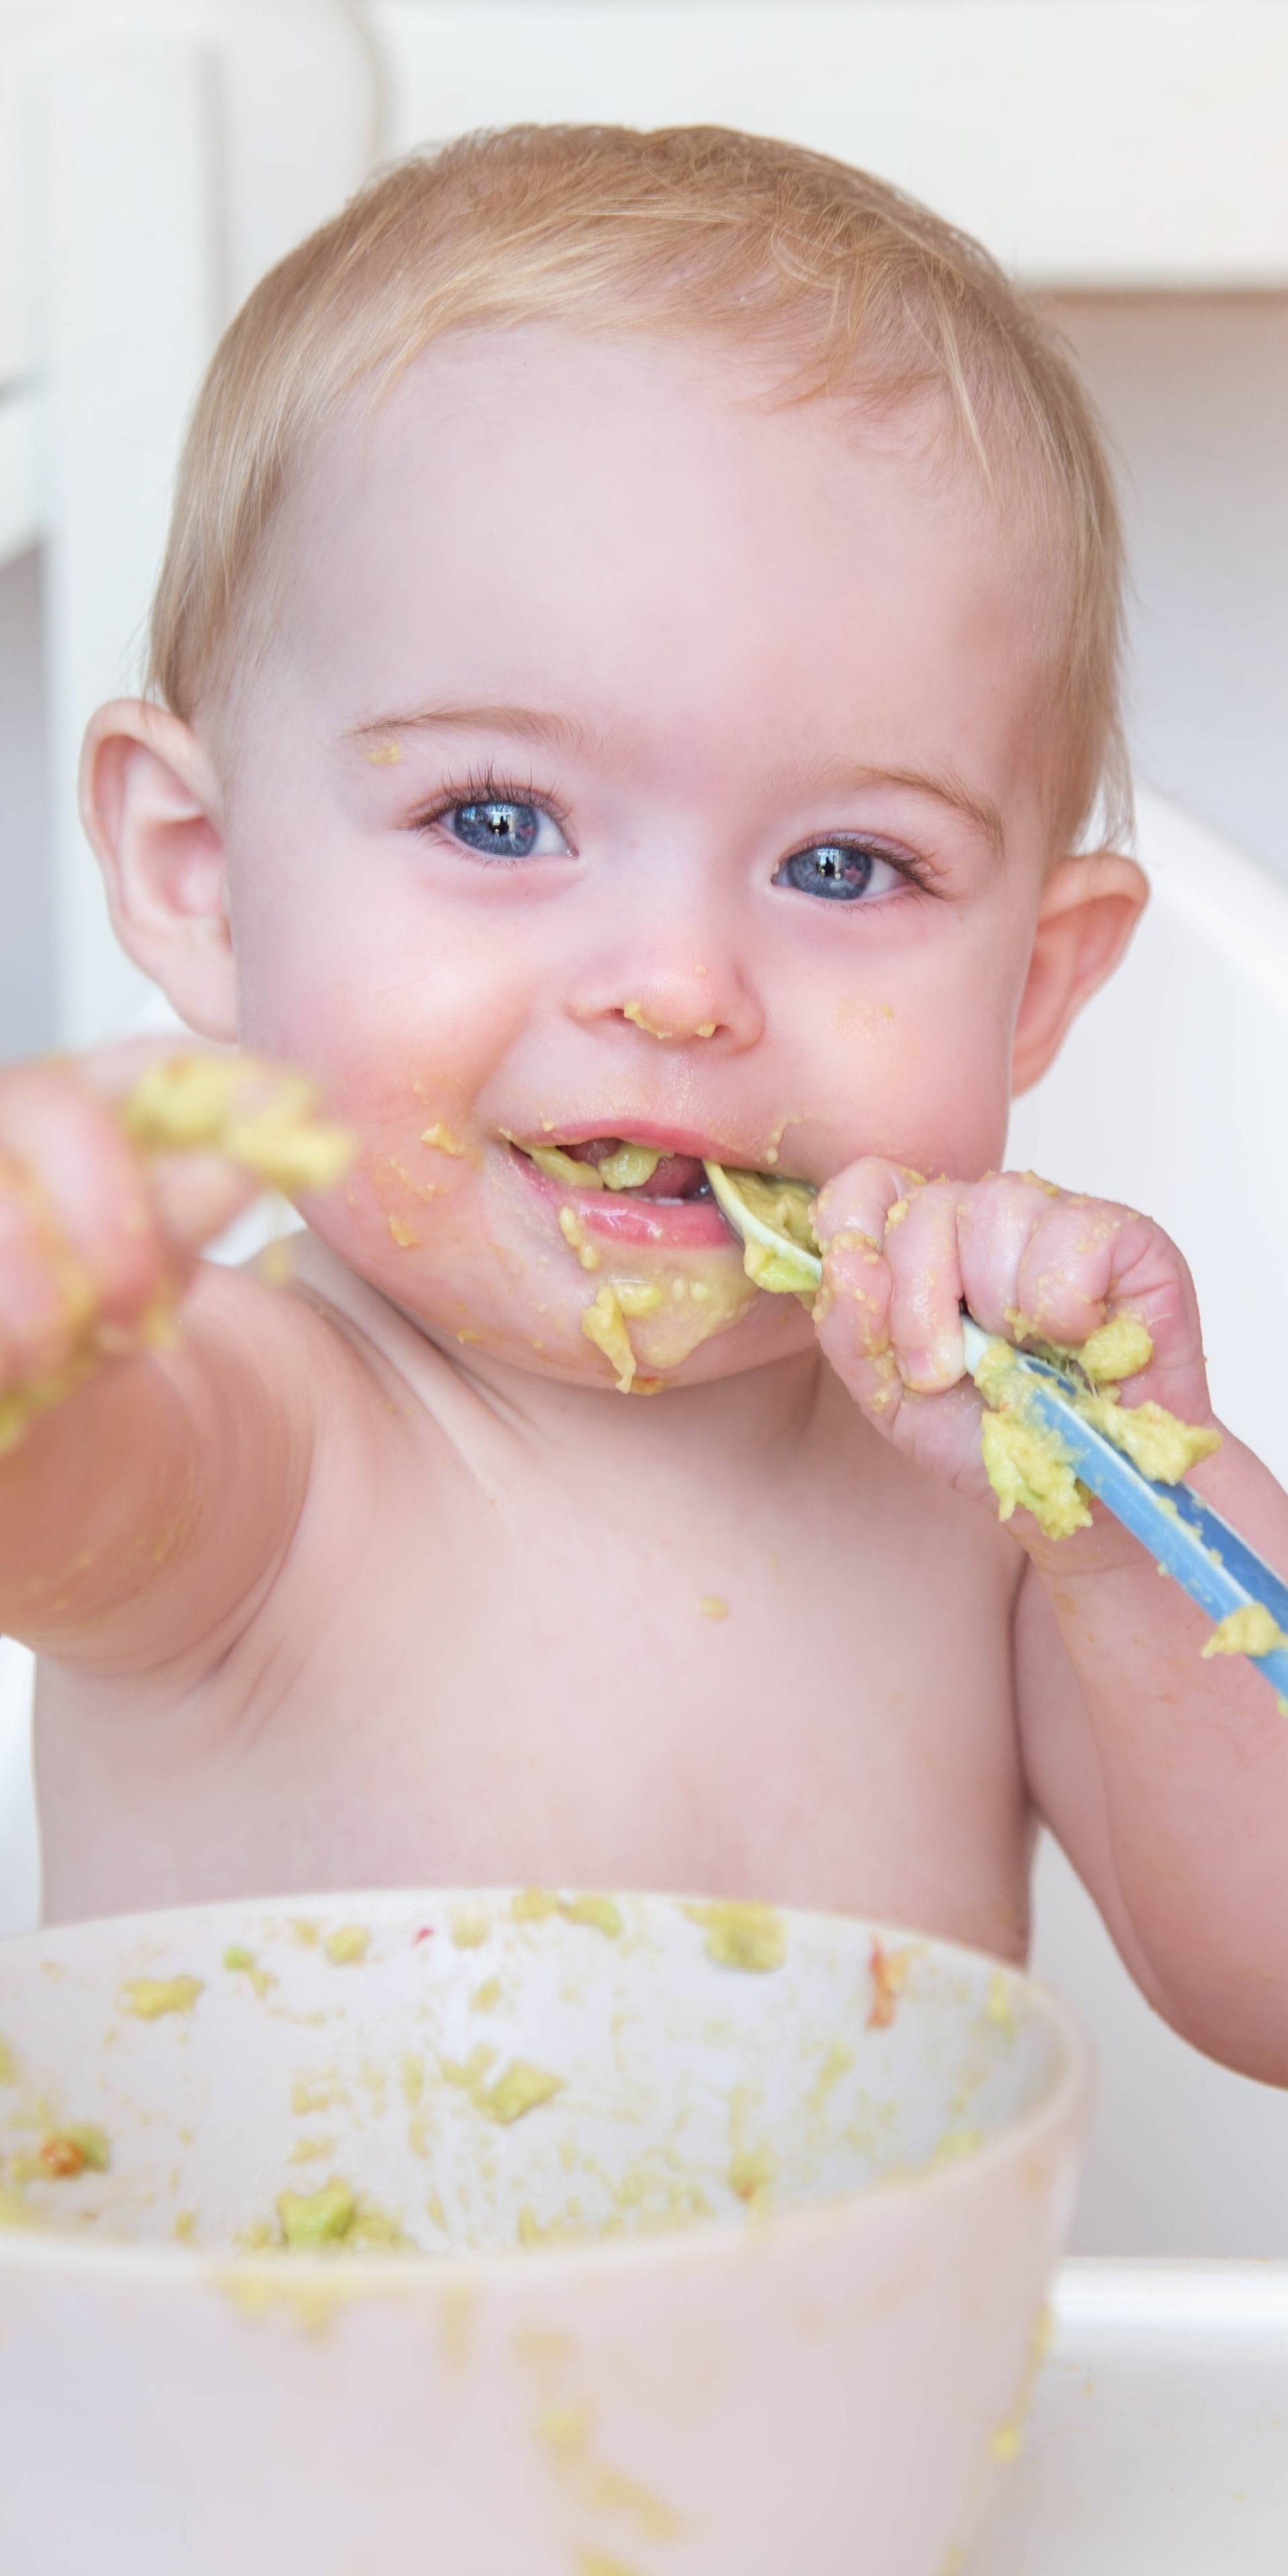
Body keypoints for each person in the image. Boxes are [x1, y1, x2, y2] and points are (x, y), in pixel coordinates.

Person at [3, 125, 1285, 2082]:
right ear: (201, 871)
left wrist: (1142, 1507)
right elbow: (68, 1495)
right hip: (284, 2400)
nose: (678, 988)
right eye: (497, 821)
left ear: (1033, 981)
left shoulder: (983, 1510)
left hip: (883, 2399)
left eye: (846, 867)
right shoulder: (265, 1437)